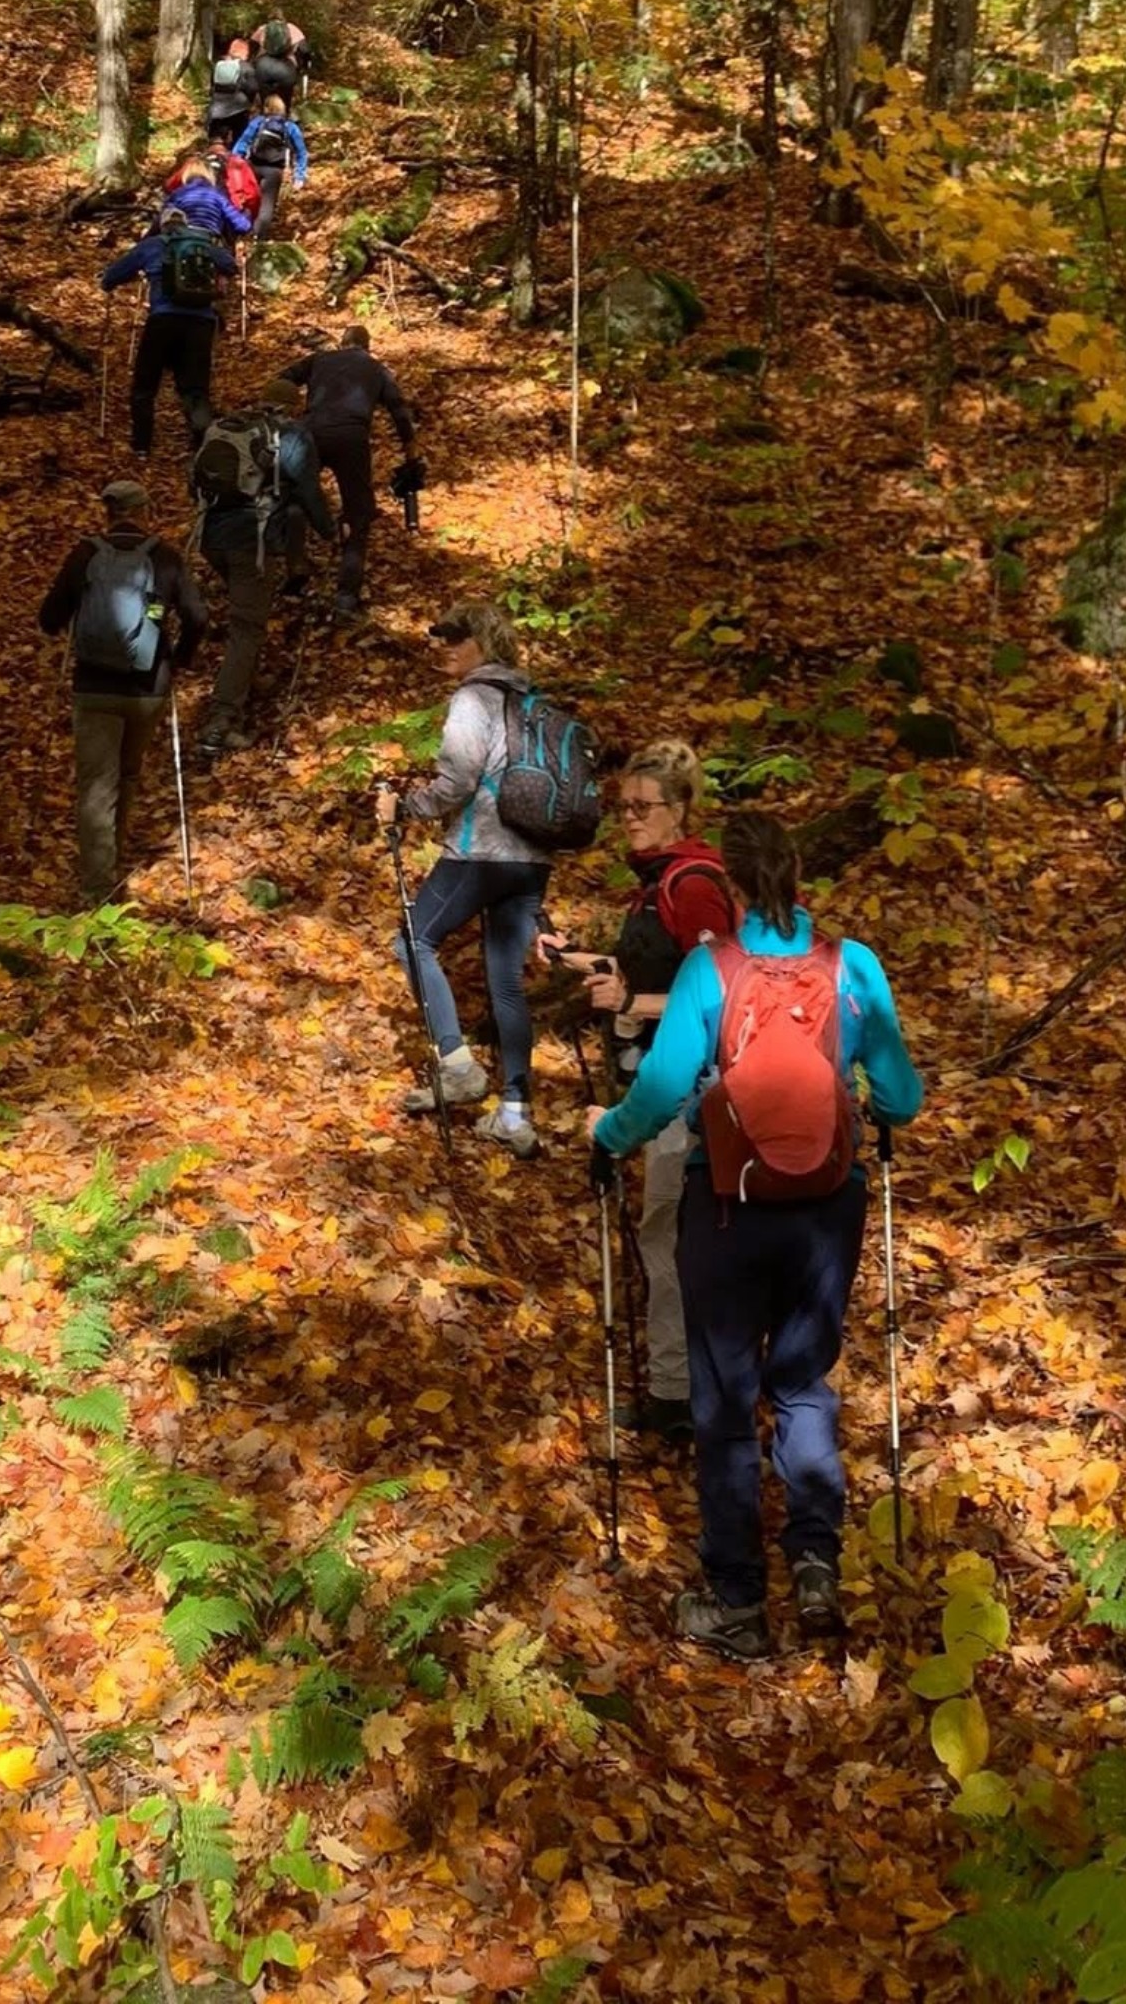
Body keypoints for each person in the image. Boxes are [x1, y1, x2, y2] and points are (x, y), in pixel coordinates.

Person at [587, 812, 923, 1661]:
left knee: (726, 1401)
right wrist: (869, 1107)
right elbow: (902, 1096)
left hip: (728, 1208)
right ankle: (814, 1557)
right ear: (800, 877)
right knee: (804, 1380)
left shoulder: (710, 969)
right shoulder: (853, 966)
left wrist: (608, 1135)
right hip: (826, 1207)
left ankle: (737, 1600)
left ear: (730, 888)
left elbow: (661, 1090)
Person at [540, 743, 741, 1441]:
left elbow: (722, 993)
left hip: (686, 1096)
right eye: (621, 807)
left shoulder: (692, 885)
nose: (627, 818)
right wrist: (577, 957)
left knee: (666, 1237)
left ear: (680, 810)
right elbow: (659, 971)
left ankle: (680, 1397)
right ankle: (678, 1389)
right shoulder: (661, 882)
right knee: (665, 1237)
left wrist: (632, 999)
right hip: (665, 1085)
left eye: (642, 807)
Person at [373, 598, 550, 1159]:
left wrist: (406, 807)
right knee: (506, 980)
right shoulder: (534, 701)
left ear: (487, 643)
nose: (445, 646)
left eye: (458, 637)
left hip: (481, 851)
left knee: (412, 939)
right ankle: (515, 1111)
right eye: (442, 637)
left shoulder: (474, 697)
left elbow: (457, 781)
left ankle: (457, 1066)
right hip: (533, 856)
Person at [37, 480, 206, 906]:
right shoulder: (165, 558)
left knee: (97, 784)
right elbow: (198, 617)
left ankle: (98, 887)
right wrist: (180, 657)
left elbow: (49, 616)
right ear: (144, 510)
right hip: (147, 687)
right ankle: (113, 859)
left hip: (93, 686)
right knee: (126, 775)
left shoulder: (86, 554)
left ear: (108, 512)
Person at [192, 387, 337, 758]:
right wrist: (331, 531)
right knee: (247, 626)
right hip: (251, 543)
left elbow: (194, 481)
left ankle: (244, 680)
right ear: (293, 404)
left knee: (247, 613)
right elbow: (308, 490)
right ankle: (221, 720)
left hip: (211, 538)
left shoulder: (228, 427)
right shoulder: (291, 435)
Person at [278, 324, 416, 620]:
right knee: (359, 513)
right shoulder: (375, 368)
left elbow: (283, 378)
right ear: (367, 346)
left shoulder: (319, 360)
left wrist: (285, 413)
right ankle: (346, 596)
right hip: (351, 437)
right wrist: (410, 446)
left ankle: (295, 563)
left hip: (309, 432)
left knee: (295, 494)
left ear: (342, 343)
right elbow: (398, 408)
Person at [102, 205, 237, 458]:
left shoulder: (152, 245)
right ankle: (201, 440)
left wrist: (111, 280)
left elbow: (112, 276)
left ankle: (142, 445)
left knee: (145, 385)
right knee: (195, 386)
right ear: (185, 225)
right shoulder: (204, 243)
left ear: (162, 225)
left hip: (163, 320)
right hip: (201, 323)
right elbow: (230, 265)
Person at [232, 95, 307, 240]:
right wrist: (300, 176)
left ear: (267, 108)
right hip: (274, 171)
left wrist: (234, 162)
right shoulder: (290, 127)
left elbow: (243, 141)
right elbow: (301, 152)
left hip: (253, 166)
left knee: (248, 199)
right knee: (267, 205)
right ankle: (257, 238)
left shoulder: (258, 122)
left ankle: (243, 232)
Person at [168, 142, 260, 227]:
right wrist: (250, 216)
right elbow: (253, 195)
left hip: (186, 220)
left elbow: (170, 185)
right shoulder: (238, 163)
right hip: (230, 214)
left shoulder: (195, 163)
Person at [249, 14, 309, 105]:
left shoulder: (263, 28)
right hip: (286, 69)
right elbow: (304, 50)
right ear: (283, 19)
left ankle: (265, 116)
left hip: (263, 68)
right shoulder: (292, 28)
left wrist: (253, 61)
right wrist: (302, 67)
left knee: (265, 103)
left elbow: (252, 46)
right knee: (285, 103)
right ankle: (284, 115)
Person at [205, 39, 257, 144]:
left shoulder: (218, 65)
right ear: (245, 53)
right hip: (239, 109)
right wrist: (249, 103)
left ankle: (216, 156)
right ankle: (235, 156)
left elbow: (213, 85)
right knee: (239, 138)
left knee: (217, 139)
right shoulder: (247, 68)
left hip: (218, 108)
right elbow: (252, 88)